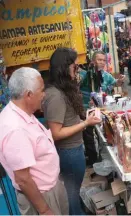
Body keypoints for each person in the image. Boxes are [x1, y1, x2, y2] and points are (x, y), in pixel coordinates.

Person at [0, 67, 68, 215]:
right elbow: (23, 178)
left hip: (50, 188)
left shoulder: (24, 113)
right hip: (42, 197)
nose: (44, 95)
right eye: (41, 90)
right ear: (29, 95)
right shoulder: (15, 129)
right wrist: (44, 210)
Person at [42, 48, 101, 215]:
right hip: (68, 153)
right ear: (64, 67)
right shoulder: (55, 96)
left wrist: (84, 117)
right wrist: (85, 124)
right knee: (71, 198)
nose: (79, 70)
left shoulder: (63, 90)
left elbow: (68, 118)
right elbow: (56, 133)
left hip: (73, 150)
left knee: (73, 193)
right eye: (75, 66)